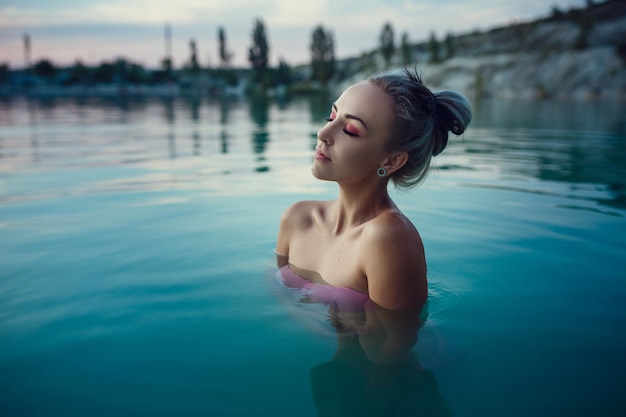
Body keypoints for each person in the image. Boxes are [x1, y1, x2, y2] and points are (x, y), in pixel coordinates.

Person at [276, 69, 471, 311]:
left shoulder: (388, 238)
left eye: (350, 130)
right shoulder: (297, 218)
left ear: (390, 162)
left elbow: (394, 345)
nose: (323, 134)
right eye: (331, 117)